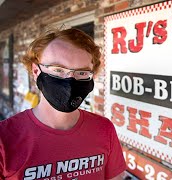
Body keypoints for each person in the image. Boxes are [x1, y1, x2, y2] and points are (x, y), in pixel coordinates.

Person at [0, 28, 126, 180]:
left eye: (82, 72)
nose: (70, 81)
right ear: (36, 71)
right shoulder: (4, 139)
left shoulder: (104, 129)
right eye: (58, 69)